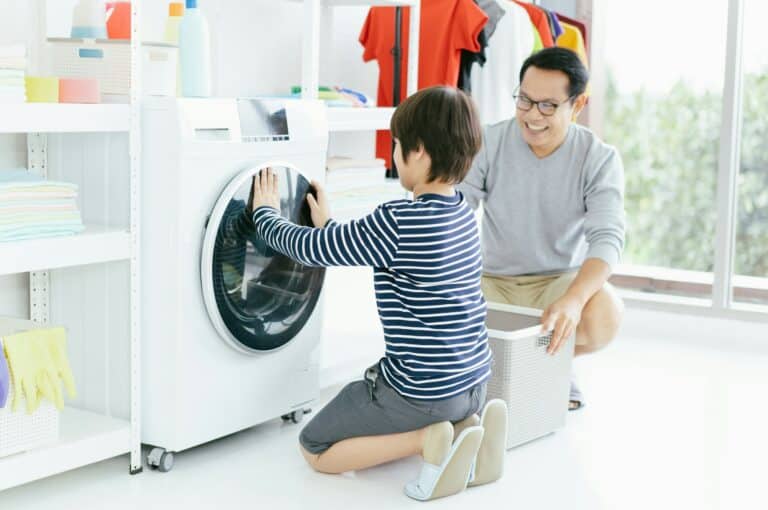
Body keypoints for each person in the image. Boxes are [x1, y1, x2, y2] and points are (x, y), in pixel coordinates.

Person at [249, 86, 507, 501]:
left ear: (419, 151)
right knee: (440, 403)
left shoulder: (397, 219)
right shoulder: (462, 214)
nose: (394, 154)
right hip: (473, 381)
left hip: (423, 393)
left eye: (398, 145)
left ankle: (425, 440)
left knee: (314, 446)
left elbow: (309, 250)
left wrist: (263, 215)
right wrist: (329, 224)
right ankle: (467, 429)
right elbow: (352, 245)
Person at [458, 47, 626, 410]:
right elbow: (457, 208)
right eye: (525, 100)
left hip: (557, 285)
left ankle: (547, 369)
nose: (533, 115)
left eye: (548, 106)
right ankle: (536, 374)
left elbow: (607, 240)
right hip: (493, 282)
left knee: (606, 313)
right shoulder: (489, 141)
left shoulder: (599, 158)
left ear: (577, 104)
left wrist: (573, 300)